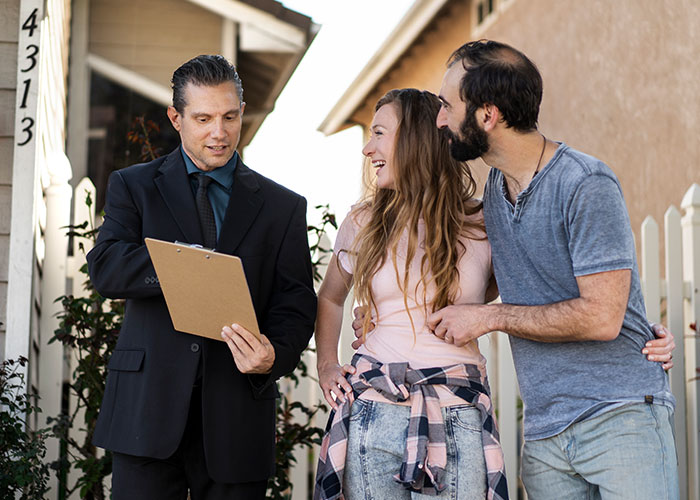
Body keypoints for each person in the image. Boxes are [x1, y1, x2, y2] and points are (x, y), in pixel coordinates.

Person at [426, 40, 679, 499]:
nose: (440, 118)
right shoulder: (496, 195)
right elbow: (466, 292)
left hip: (619, 417)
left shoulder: (584, 183)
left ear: (488, 115)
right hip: (544, 436)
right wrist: (376, 315)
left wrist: (493, 317)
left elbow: (603, 317)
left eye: (448, 105)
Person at [87, 55, 316, 500]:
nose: (220, 132)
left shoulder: (283, 206)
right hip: (145, 414)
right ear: (176, 118)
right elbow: (107, 266)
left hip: (236, 419)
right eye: (204, 118)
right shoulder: (133, 186)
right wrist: (182, 266)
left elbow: (296, 301)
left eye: (230, 116)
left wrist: (274, 354)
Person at [314, 88, 508, 500]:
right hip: (373, 408)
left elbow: (521, 293)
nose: (368, 148)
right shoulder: (363, 221)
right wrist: (327, 365)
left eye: (379, 133)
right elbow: (331, 296)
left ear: (417, 140)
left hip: (457, 410)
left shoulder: (482, 219)